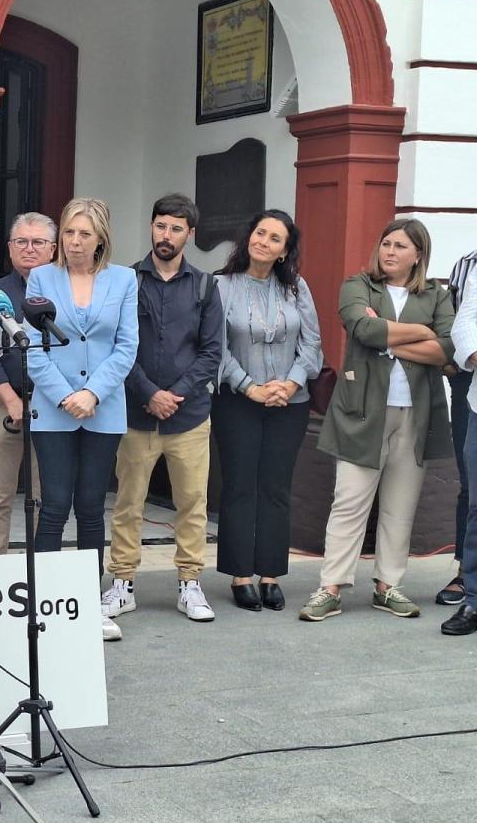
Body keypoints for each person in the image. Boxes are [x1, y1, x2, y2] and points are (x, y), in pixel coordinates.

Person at [300, 219, 453, 622]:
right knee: (349, 501)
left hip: (416, 416)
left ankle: (388, 586)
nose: (389, 251)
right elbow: (363, 328)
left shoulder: (437, 294)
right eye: (386, 243)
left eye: (400, 246)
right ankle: (330, 587)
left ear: (417, 255)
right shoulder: (359, 286)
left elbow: (447, 350)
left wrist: (391, 338)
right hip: (361, 412)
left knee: (400, 507)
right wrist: (422, 333)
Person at [104, 194, 222, 626]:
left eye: (175, 228)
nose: (166, 235)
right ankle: (122, 584)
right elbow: (116, 345)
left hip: (188, 417)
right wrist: (149, 392)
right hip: (135, 412)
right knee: (127, 503)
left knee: (192, 503)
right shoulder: (125, 281)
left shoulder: (206, 286)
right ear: (151, 227)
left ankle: (190, 583)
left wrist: (175, 395)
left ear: (189, 234)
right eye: (160, 226)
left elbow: (212, 353)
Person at [24, 198, 138, 642]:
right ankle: (43, 601)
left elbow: (127, 346)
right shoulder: (41, 277)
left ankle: (88, 603)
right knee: (53, 505)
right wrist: (67, 394)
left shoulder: (124, 279)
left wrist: (92, 393)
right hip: (54, 409)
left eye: (84, 234)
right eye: (69, 233)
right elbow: (32, 346)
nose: (74, 242)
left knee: (91, 507)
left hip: (104, 407)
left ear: (100, 239)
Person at [214, 210, 322, 612]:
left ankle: (271, 574)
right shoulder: (220, 287)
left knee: (276, 488)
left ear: (284, 251)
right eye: (260, 233)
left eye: (275, 238)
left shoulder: (297, 289)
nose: (264, 241)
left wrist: (290, 383)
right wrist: (250, 387)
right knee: (240, 485)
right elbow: (215, 347)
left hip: (289, 403)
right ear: (249, 238)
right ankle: (241, 574)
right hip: (237, 402)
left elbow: (312, 344)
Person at [0, 212, 55, 554]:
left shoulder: (66, 291)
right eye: (21, 242)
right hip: (3, 401)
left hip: (54, 405)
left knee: (48, 498)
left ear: (53, 249)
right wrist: (11, 400)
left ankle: (40, 573)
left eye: (38, 242)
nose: (29, 249)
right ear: (10, 248)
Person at [438, 249, 477, 607]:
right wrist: (454, 368)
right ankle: (467, 572)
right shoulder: (468, 264)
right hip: (471, 379)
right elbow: (455, 321)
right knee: (471, 480)